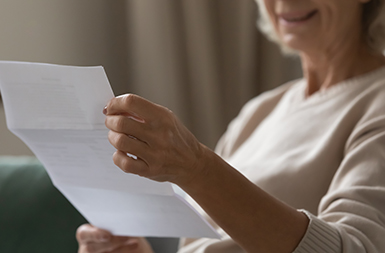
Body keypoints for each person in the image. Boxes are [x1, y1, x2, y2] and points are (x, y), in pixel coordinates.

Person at [76, 0, 385, 252]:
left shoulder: (377, 100)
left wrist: (197, 167)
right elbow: (209, 241)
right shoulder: (261, 111)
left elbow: (355, 248)